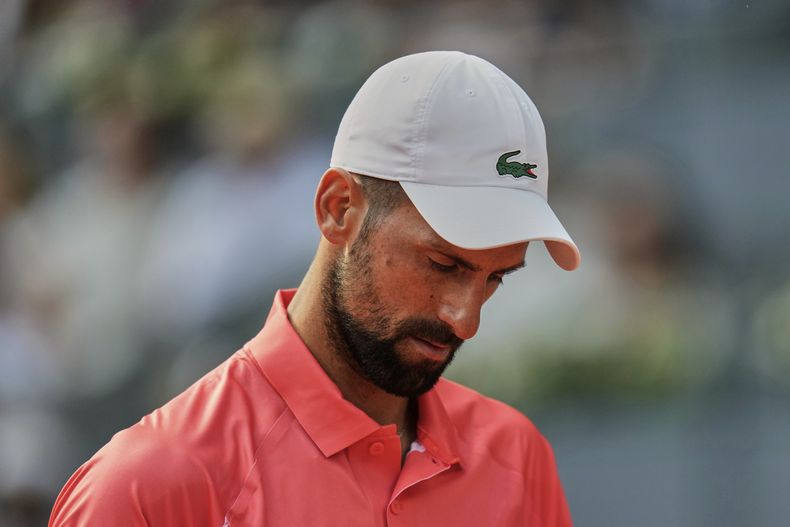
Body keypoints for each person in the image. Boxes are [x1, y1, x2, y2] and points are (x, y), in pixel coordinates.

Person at [49, 51, 580, 527]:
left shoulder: (517, 456)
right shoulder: (146, 490)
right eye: (442, 264)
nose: (466, 320)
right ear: (338, 208)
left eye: (495, 278)